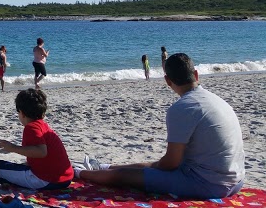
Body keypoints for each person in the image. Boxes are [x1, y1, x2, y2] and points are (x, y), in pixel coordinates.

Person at [78, 53, 245, 199]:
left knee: (125, 176)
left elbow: (170, 163)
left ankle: (79, 172)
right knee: (151, 166)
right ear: (195, 74)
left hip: (210, 185)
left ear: (167, 80)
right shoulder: (217, 100)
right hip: (236, 180)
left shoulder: (183, 107)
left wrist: (154, 167)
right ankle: (103, 167)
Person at [0, 88, 73, 191]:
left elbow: (42, 152)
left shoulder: (31, 127)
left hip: (46, 181)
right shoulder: (42, 125)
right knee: (17, 166)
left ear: (21, 112)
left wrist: (12, 148)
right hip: (65, 178)